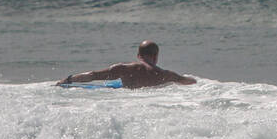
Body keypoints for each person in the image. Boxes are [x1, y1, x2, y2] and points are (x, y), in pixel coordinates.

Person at [57, 40, 197, 88]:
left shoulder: (124, 69)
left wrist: (68, 80)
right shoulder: (167, 75)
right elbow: (187, 81)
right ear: (156, 56)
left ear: (138, 55)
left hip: (128, 102)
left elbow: (93, 75)